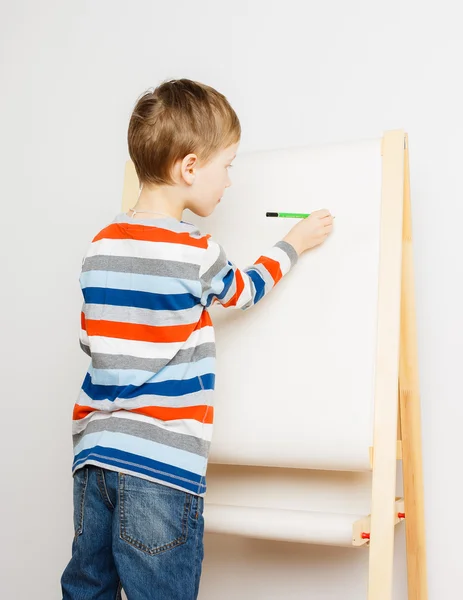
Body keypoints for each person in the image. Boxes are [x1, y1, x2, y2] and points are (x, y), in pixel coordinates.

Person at [61, 78, 333, 600]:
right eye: (226, 165)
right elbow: (244, 290)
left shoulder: (100, 246)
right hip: (160, 466)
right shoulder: (197, 251)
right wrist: (292, 244)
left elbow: (90, 337)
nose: (229, 181)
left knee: (86, 588)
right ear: (189, 167)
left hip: (95, 458)